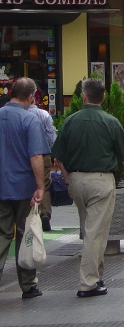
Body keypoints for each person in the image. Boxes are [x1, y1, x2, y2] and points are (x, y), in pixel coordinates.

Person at [51, 78, 124, 298]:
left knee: (89, 230)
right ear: (104, 97)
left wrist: (68, 178)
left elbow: (58, 156)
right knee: (95, 233)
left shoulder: (71, 121)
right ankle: (87, 283)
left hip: (77, 180)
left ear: (84, 97)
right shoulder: (110, 121)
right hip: (100, 181)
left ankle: (97, 276)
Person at [0, 78, 48, 299]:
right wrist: (40, 187)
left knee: (2, 233)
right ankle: (28, 285)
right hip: (23, 186)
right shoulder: (30, 120)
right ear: (30, 96)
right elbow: (36, 156)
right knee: (25, 232)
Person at [27, 88, 56, 232]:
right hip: (43, 154)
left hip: (24, 155)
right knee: (44, 184)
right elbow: (51, 136)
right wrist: (54, 154)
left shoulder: (21, 114)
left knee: (27, 183)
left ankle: (28, 216)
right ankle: (45, 214)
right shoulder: (44, 115)